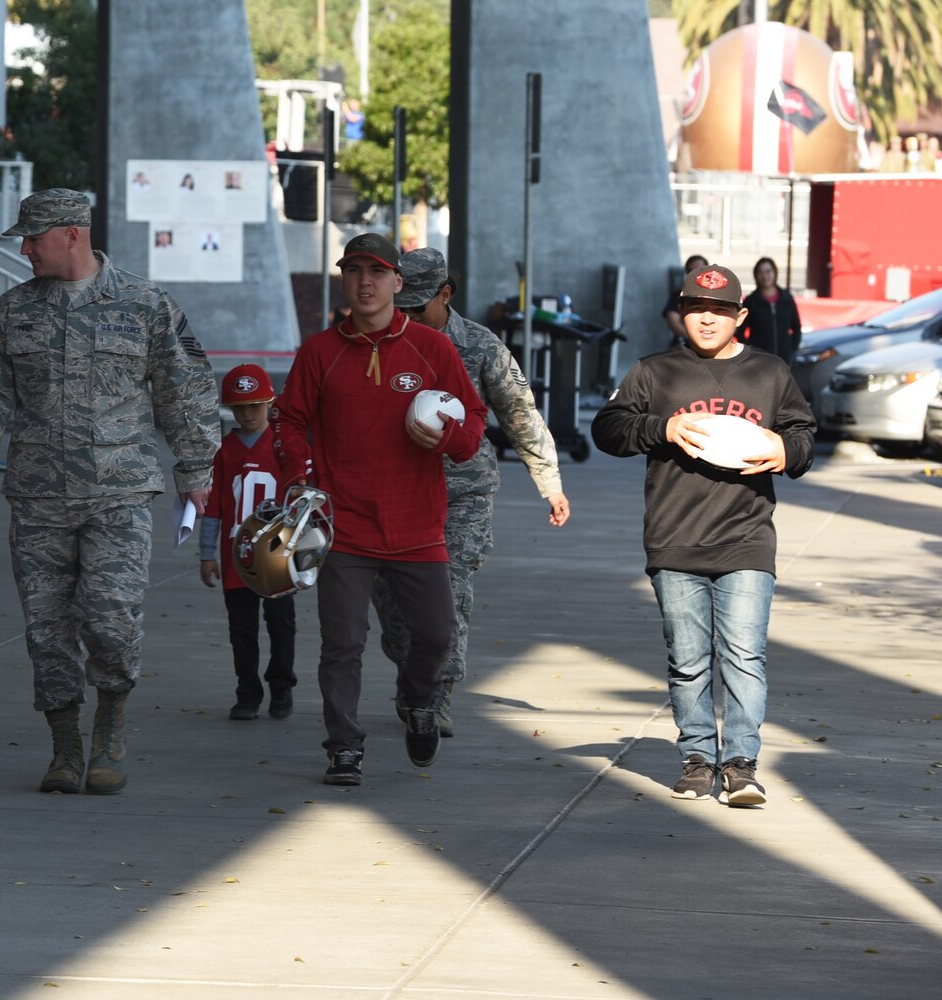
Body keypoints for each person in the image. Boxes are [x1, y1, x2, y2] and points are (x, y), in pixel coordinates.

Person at [0, 188, 219, 796]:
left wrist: (197, 468)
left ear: (72, 234)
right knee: (46, 630)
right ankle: (66, 746)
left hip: (117, 494)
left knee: (110, 616)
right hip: (38, 496)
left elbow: (185, 389)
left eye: (33, 238)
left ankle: (112, 724)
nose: (24, 249)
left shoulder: (144, 304)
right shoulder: (15, 310)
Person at [592, 261, 816, 807]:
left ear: (740, 316)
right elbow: (608, 429)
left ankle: (741, 764)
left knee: (744, 654)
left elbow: (804, 434)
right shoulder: (654, 372)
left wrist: (785, 451)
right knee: (688, 659)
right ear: (680, 314)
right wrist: (660, 427)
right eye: (697, 309)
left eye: (719, 310)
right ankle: (697, 758)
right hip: (674, 538)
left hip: (747, 537)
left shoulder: (770, 373)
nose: (707, 319)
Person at [275, 232, 486, 785]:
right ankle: (344, 745)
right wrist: (297, 479)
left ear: (398, 282)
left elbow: (472, 428)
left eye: (377, 272)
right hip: (343, 529)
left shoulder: (433, 349)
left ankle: (419, 699)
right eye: (354, 271)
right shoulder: (320, 351)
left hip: (417, 528)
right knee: (342, 645)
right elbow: (290, 419)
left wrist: (444, 439)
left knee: (437, 636)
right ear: (343, 279)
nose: (365, 282)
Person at [372, 250, 569, 737]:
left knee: (449, 593)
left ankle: (437, 695)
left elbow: (520, 414)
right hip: (393, 493)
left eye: (420, 307)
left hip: (463, 492)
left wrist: (550, 482)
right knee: (394, 606)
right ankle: (412, 675)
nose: (410, 317)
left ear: (446, 293)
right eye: (404, 306)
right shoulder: (377, 341)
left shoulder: (481, 346)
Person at [198, 364, 296, 722]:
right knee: (242, 629)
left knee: (282, 624)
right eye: (240, 407)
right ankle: (247, 692)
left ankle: (282, 685)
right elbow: (214, 508)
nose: (248, 414)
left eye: (255, 405)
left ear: (270, 404)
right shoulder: (224, 452)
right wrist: (207, 554)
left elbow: (301, 504)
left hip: (278, 556)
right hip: (237, 556)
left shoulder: (286, 447)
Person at [737, 255, 801, 361]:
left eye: (768, 271)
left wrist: (791, 349)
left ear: (775, 273)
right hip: (760, 362)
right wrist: (752, 352)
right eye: (760, 272)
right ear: (755, 275)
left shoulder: (786, 299)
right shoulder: (751, 301)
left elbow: (796, 328)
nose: (765, 276)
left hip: (784, 360)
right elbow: (740, 332)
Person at [664, 253, 709, 345]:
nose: (697, 274)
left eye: (701, 270)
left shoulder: (718, 293)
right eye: (692, 271)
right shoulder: (680, 295)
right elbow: (673, 320)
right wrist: (693, 338)